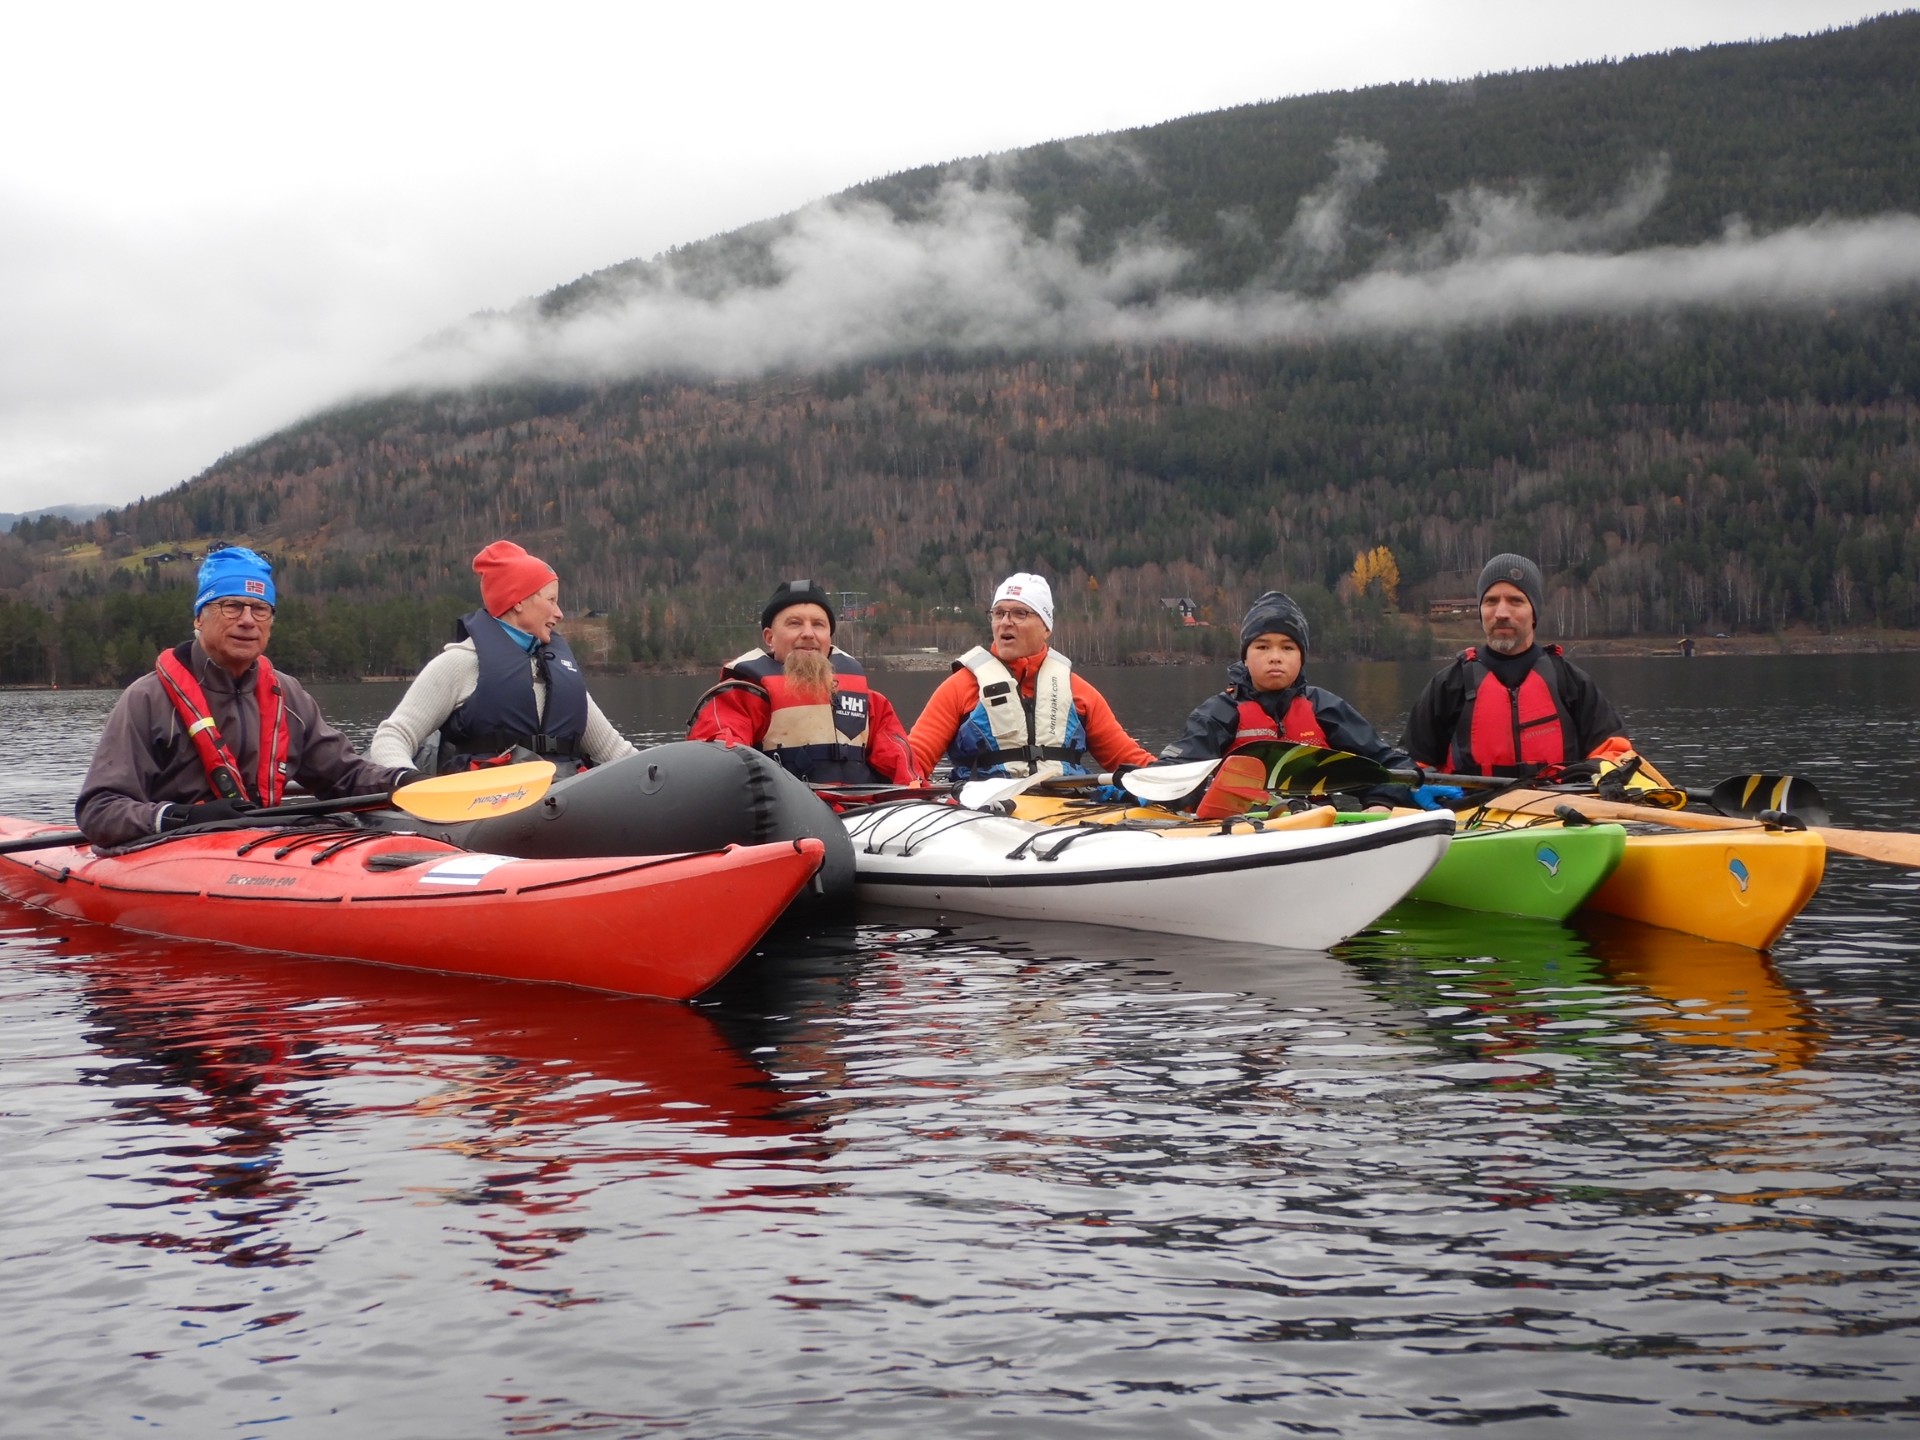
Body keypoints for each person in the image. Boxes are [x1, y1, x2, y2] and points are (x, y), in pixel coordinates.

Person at [75, 546, 416, 847]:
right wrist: (183, 817)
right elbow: (99, 810)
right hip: (173, 850)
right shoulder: (147, 699)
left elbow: (346, 777)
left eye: (260, 609)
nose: (248, 621)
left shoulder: (288, 696)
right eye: (232, 607)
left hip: (257, 850)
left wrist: (406, 782)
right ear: (199, 617)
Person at [1160, 590, 1451, 809]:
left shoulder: (1325, 707)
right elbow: (1178, 769)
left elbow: (1381, 762)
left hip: (1315, 827)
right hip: (1240, 831)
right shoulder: (1218, 713)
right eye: (1262, 647)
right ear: (1245, 657)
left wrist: (1393, 795)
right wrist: (1146, 787)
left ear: (1301, 657)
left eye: (1288, 648)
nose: (1275, 657)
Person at [368, 540, 636, 775]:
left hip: (559, 804)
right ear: (518, 601)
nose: (559, 613)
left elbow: (616, 753)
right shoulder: (459, 664)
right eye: (551, 600)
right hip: (483, 807)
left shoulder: (558, 672)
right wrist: (412, 783)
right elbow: (392, 738)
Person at [908, 572, 1156, 780]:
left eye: (1019, 613)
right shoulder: (959, 687)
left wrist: (1169, 774)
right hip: (984, 811)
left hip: (1062, 808)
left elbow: (1127, 759)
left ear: (1046, 627)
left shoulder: (1079, 693)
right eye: (998, 613)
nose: (1005, 622)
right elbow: (913, 762)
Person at [1404, 553, 1633, 776]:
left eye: (1516, 601)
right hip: (1472, 800)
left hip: (1555, 799)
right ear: (1481, 611)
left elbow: (1615, 753)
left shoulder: (1571, 683)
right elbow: (1410, 763)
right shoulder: (1449, 686)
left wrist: (1592, 776)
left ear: (1534, 613)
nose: (1501, 613)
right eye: (1491, 601)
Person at [686, 578, 920, 785]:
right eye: (795, 623)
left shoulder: (872, 703)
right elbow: (719, 765)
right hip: (783, 814)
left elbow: (904, 771)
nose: (808, 633)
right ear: (769, 637)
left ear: (828, 637)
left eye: (818, 624)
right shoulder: (741, 697)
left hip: (863, 810)